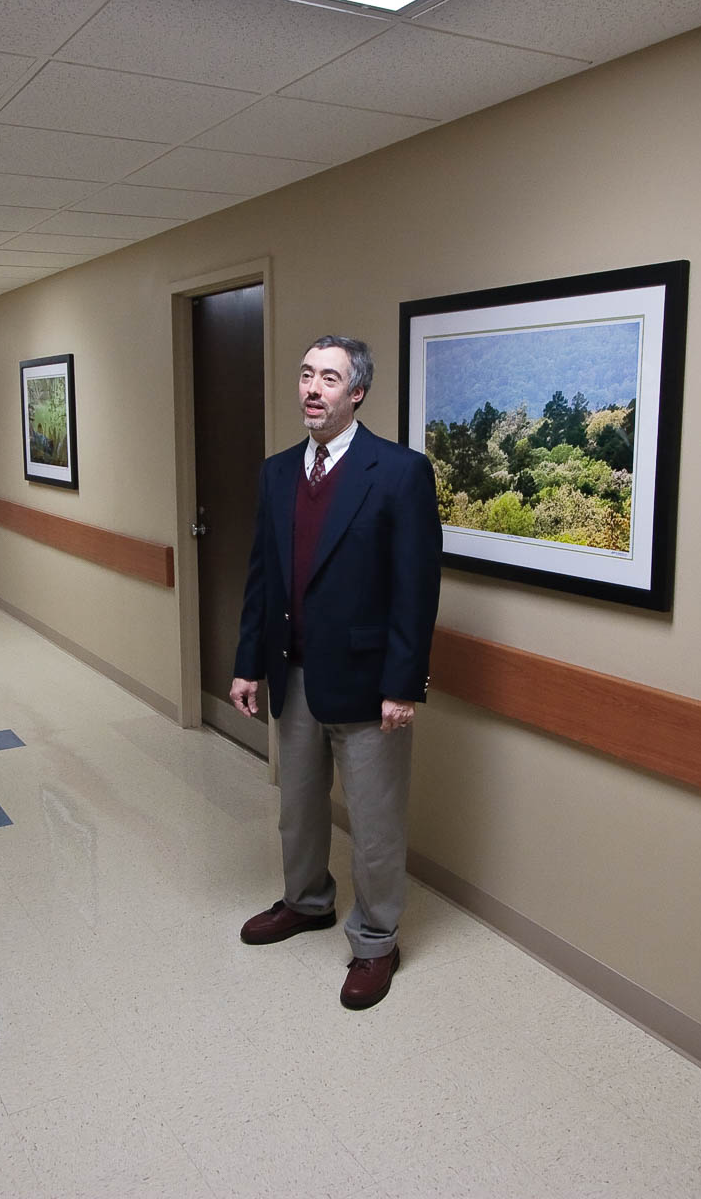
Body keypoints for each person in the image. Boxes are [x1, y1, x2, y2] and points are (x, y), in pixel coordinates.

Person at [230, 335, 442, 1010]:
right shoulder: (277, 472)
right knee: (297, 809)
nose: (311, 389)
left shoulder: (400, 472)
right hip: (291, 675)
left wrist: (403, 684)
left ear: (357, 393)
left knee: (375, 824)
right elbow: (262, 580)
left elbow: (416, 587)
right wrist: (245, 666)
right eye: (305, 375)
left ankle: (377, 940)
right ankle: (307, 901)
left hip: (368, 684)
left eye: (329, 378)